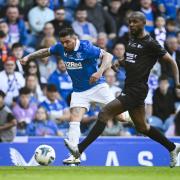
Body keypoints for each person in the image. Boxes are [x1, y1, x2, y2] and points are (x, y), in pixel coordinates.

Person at [64, 11, 180, 168]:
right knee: (142, 127)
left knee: (105, 113)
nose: (131, 24)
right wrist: (120, 62)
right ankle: (173, 147)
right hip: (131, 87)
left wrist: (178, 82)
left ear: (144, 23)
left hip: (137, 89)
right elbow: (132, 58)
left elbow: (171, 62)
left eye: (135, 22)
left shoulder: (151, 43)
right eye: (130, 21)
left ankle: (79, 149)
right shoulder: (131, 41)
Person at [20, 27, 114, 165]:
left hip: (98, 87)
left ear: (74, 38)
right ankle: (74, 156)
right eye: (62, 42)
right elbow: (45, 52)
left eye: (67, 42)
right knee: (74, 120)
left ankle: (132, 117)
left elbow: (109, 56)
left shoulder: (86, 47)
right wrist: (28, 56)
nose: (64, 45)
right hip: (79, 91)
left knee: (121, 117)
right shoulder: (60, 47)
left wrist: (100, 72)